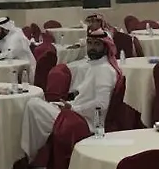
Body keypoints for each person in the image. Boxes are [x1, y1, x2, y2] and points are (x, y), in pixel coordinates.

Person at [21, 29, 118, 160]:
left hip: (85, 122)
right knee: (37, 104)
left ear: (105, 47)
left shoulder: (104, 70)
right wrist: (69, 105)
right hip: (77, 112)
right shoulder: (96, 66)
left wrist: (73, 108)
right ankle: (34, 154)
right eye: (90, 43)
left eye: (97, 44)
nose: (92, 47)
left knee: (33, 105)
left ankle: (30, 157)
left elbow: (101, 105)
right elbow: (85, 98)